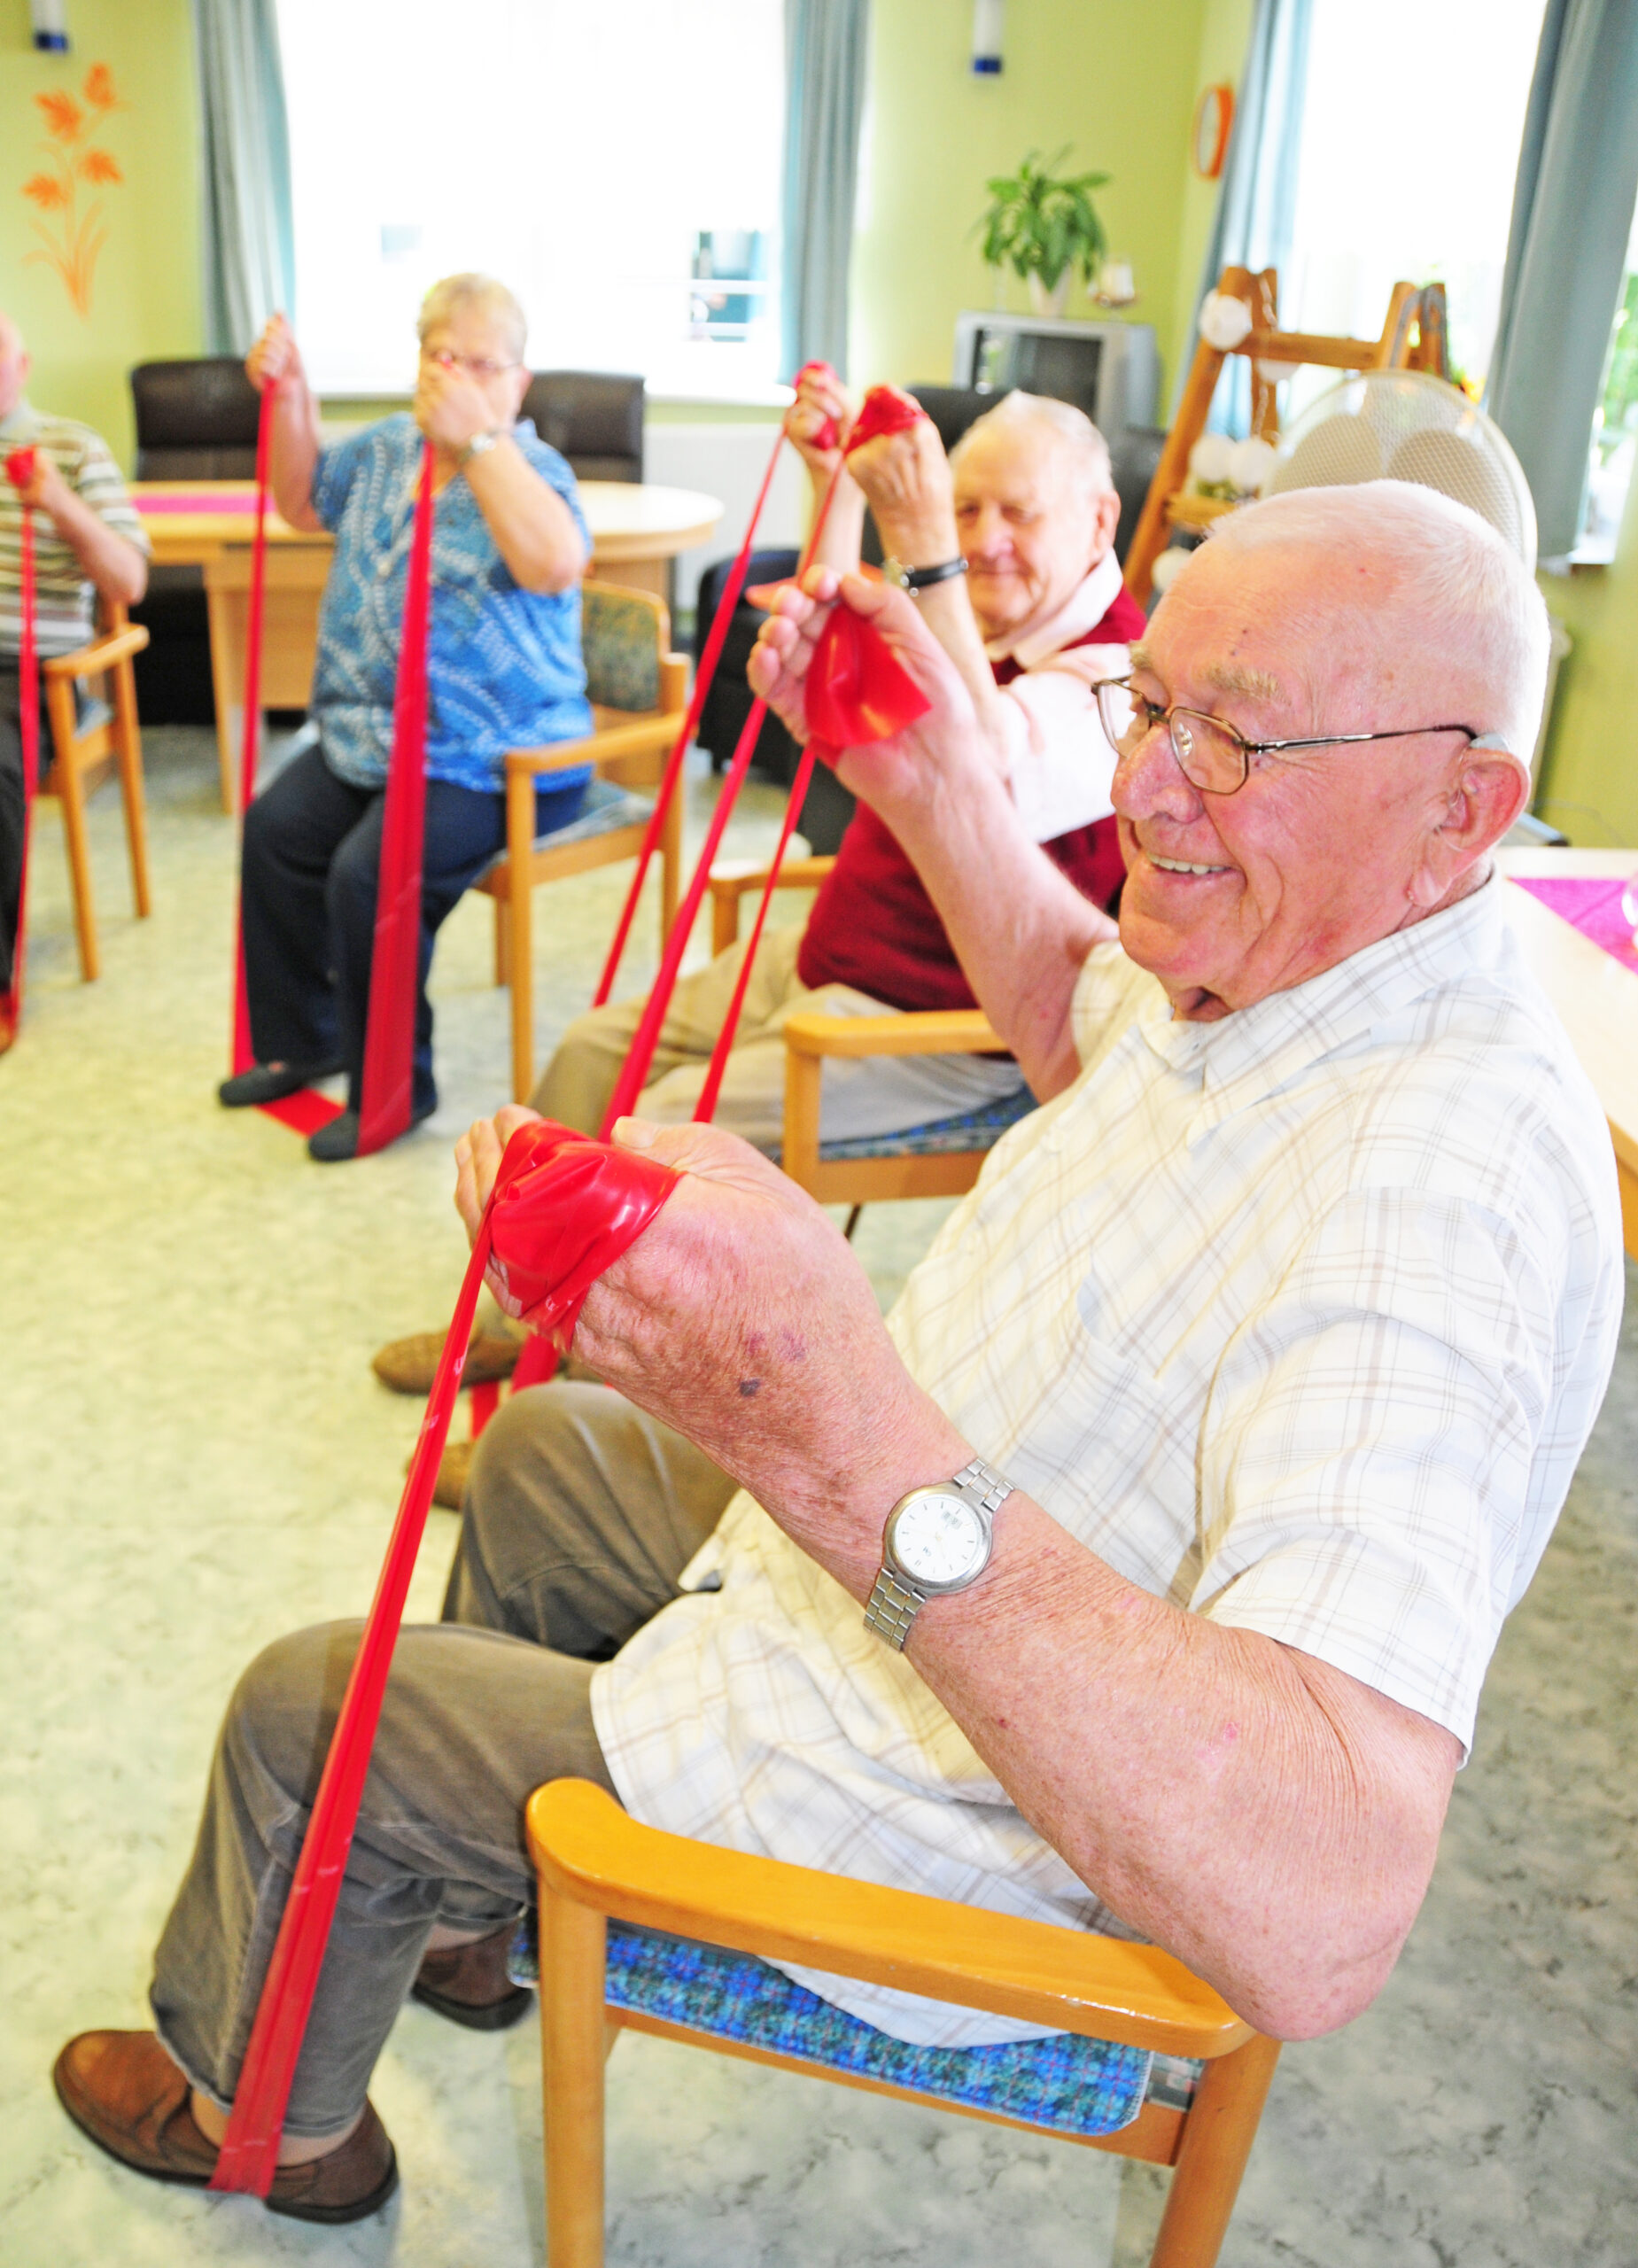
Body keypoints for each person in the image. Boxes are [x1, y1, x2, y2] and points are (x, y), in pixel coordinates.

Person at [53, 484, 1623, 2224]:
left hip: (982, 1822)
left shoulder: (1445, 1193)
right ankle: (480, 1919)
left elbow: (1316, 1903)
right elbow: (1083, 1021)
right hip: (954, 1594)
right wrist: (930, 784)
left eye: (1234, 737)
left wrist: (832, 1432)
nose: (1144, 783)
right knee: (553, 1452)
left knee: (308, 1712)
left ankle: (263, 2121)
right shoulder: (1315, 968)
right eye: (1151, 704)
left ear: (1458, 806)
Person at [372, 372, 1140, 1402]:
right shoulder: (986, 618)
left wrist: (928, 545)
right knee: (592, 1052)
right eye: (966, 507)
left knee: (664, 1136)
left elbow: (980, 773)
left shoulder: (1119, 679)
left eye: (1018, 512)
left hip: (953, 1025)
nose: (987, 537)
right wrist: (835, 490)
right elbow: (828, 664)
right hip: (833, 953)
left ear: (1099, 521)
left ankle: (582, 1410)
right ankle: (522, 1316)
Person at [221, 275, 594, 1161]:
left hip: (499, 754)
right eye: (439, 357)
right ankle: (303, 1036)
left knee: (366, 873)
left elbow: (553, 561)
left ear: (517, 381)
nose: (454, 376)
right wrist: (294, 396)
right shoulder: (390, 447)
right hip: (373, 735)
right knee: (275, 831)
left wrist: (476, 442)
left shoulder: (531, 466)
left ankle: (395, 1087)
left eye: (477, 362)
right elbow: (304, 499)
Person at [0, 309, 149, 1045]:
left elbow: (129, 577)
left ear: (21, 365)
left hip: (30, 668)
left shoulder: (72, 447)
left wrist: (56, 502)